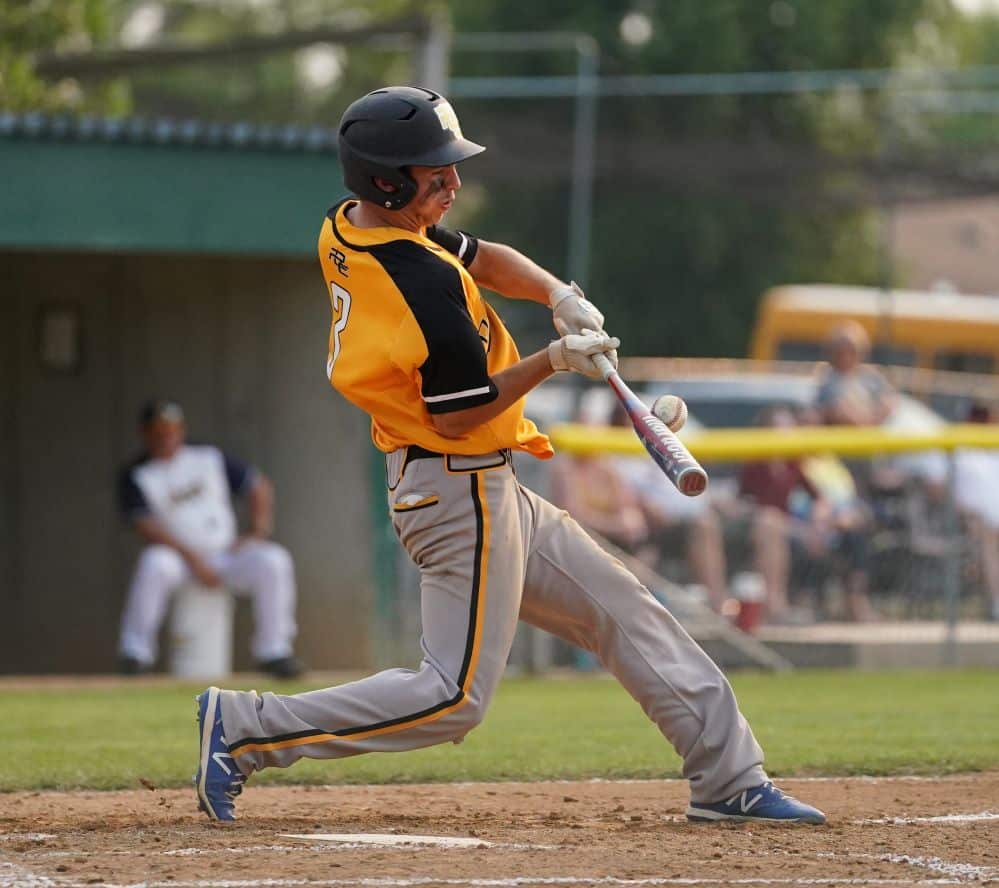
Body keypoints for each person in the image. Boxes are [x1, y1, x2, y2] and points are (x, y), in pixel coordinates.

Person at [192, 86, 825, 826]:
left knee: (625, 613)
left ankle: (728, 778)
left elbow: (485, 257)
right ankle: (244, 728)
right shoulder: (419, 283)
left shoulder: (352, 224)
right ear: (387, 182)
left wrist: (557, 295)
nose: (453, 183)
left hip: (480, 487)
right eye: (435, 173)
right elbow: (458, 414)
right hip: (455, 487)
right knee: (452, 697)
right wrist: (552, 360)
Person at [117, 399, 305, 678]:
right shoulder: (137, 474)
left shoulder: (207, 457)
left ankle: (274, 651)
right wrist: (193, 560)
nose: (165, 435)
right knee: (153, 563)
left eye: (171, 429)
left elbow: (259, 486)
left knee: (273, 560)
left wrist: (257, 532)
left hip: (224, 553)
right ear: (145, 433)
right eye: (158, 430)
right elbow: (147, 527)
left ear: (180, 430)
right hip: (178, 560)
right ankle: (136, 654)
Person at [952, 402, 999, 621]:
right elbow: (949, 496)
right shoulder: (959, 447)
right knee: (990, 537)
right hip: (972, 520)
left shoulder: (992, 449)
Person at [815, 321, 896, 428]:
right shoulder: (827, 381)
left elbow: (889, 402)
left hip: (869, 440)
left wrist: (869, 419)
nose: (845, 357)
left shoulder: (871, 378)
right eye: (840, 351)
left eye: (851, 351)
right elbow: (827, 411)